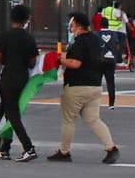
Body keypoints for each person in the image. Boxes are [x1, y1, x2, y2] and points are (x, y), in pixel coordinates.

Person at [50, 13, 118, 164]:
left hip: (77, 87)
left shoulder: (80, 42)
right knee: (93, 119)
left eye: (72, 25)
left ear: (79, 28)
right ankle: (111, 148)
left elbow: (75, 63)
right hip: (95, 86)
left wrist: (59, 60)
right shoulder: (95, 40)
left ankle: (64, 151)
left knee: (68, 120)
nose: (70, 27)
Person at [0, 4, 41, 162]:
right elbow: (32, 62)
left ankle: (28, 147)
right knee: (8, 113)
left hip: (8, 80)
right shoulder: (29, 38)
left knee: (12, 116)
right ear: (26, 19)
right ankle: (4, 149)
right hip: (22, 79)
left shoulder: (4, 36)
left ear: (12, 18)